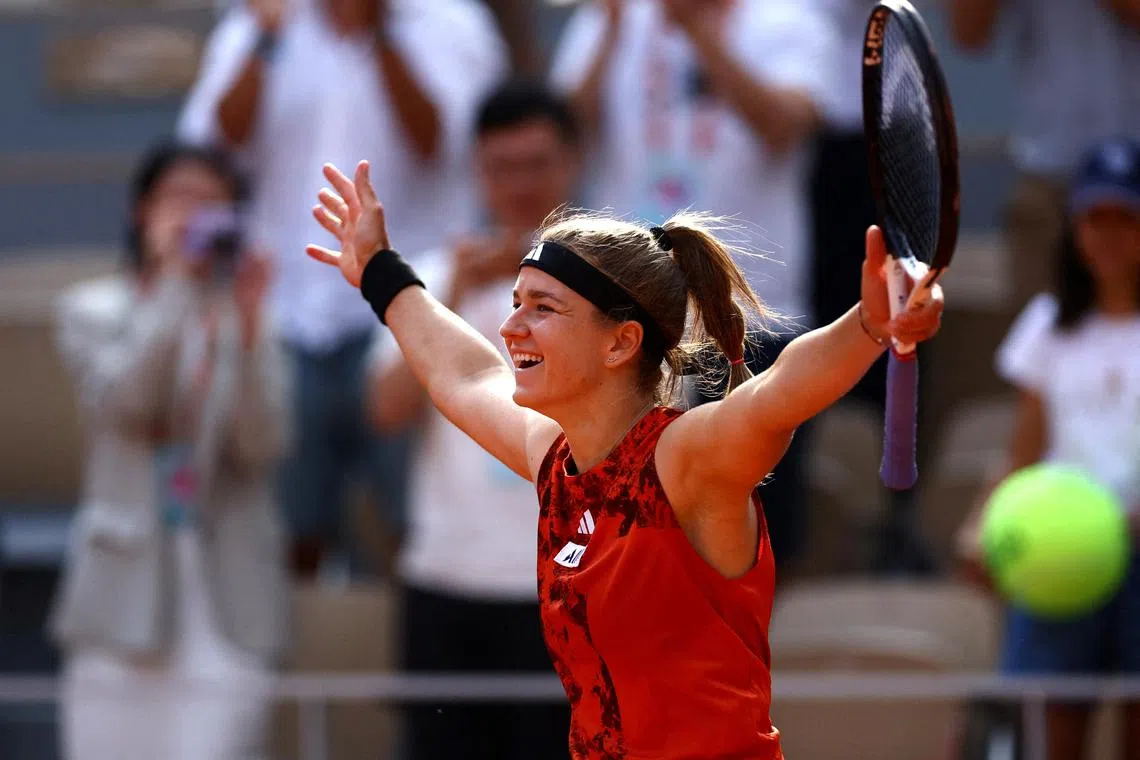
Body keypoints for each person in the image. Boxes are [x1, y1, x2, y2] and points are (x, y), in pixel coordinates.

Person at [304, 157, 943, 758]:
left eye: (542, 308)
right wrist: (380, 272)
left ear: (621, 343)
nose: (511, 328)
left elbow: (775, 397)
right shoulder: (554, 458)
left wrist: (868, 325)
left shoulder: (683, 459)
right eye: (515, 302)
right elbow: (466, 376)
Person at [177, 0, 508, 577]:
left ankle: (408, 657)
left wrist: (379, 32)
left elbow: (440, 145)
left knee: (409, 525)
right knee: (290, 530)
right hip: (288, 314)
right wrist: (263, 38)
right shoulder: (259, 20)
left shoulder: (451, 23)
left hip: (411, 310)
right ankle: (302, 662)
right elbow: (213, 148)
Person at [548, 0, 839, 571]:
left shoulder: (790, 21)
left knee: (752, 533)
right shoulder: (610, 19)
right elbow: (562, 132)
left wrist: (699, 33)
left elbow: (785, 127)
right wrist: (608, 37)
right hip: (630, 316)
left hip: (751, 317)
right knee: (633, 525)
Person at [51, 141, 290, 760]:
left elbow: (261, 444)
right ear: (142, 210)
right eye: (179, 197)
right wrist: (177, 287)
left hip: (226, 590)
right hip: (122, 590)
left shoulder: (253, 318)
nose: (193, 215)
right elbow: (129, 405)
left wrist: (250, 325)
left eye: (211, 201)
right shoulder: (91, 308)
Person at [367, 80, 577, 760]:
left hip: (573, 581)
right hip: (446, 577)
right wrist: (452, 289)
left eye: (536, 164)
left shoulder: (627, 285)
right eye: (501, 167)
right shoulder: (425, 281)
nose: (520, 184)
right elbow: (385, 410)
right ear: (477, 172)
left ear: (572, 164)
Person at [957, 137, 1140, 760]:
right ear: (1075, 228)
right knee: (1054, 730)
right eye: (1096, 217)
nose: (1109, 233)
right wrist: (982, 523)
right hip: (1063, 553)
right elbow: (1024, 449)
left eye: (1125, 217)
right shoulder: (1047, 324)